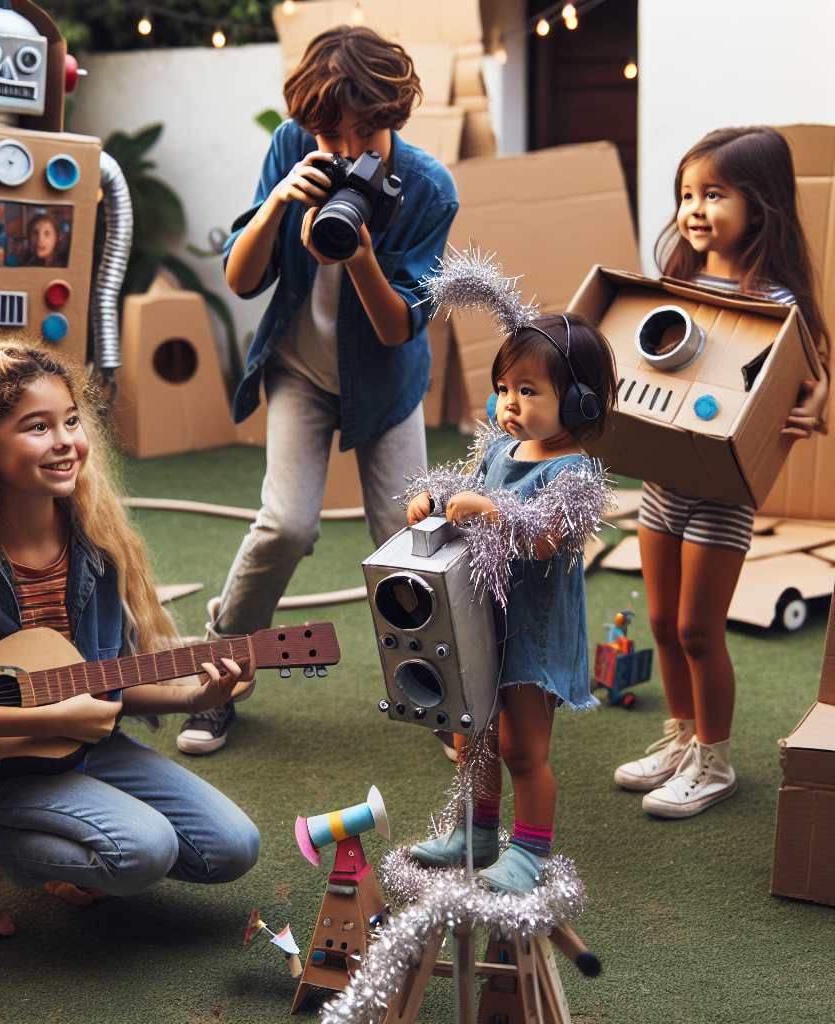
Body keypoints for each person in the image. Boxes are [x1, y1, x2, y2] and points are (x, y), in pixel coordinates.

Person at [0, 341, 260, 939]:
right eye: (37, 427)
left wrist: (193, 700)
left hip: (75, 748)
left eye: (70, 420)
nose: (66, 440)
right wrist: (46, 722)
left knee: (233, 848)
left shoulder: (96, 553)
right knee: (141, 850)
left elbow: (103, 684)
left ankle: (63, 839)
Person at [177, 25, 458, 755]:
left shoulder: (429, 189)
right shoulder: (291, 148)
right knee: (286, 526)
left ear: (394, 115)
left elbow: (399, 328)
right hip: (300, 367)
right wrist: (276, 207)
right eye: (326, 133)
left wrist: (360, 253)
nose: (342, 149)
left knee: (408, 541)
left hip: (388, 381)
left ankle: (440, 694)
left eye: (363, 132)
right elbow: (242, 281)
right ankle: (221, 671)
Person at [614, 126, 830, 818]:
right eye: (686, 194)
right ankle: (681, 738)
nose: (694, 209)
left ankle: (715, 761)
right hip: (660, 484)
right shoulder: (676, 283)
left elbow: (807, 369)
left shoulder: (779, 300)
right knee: (660, 619)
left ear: (760, 206)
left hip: (720, 496)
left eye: (714, 194)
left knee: (700, 629)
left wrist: (817, 394)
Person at [405, 312, 617, 895]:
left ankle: (528, 850)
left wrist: (488, 511)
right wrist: (433, 498)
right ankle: (475, 832)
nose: (510, 403)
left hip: (533, 628)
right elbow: (466, 487)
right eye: (504, 389)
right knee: (469, 732)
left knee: (523, 748)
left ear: (579, 402)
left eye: (529, 390)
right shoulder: (503, 448)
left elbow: (546, 536)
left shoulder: (575, 471)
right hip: (477, 616)